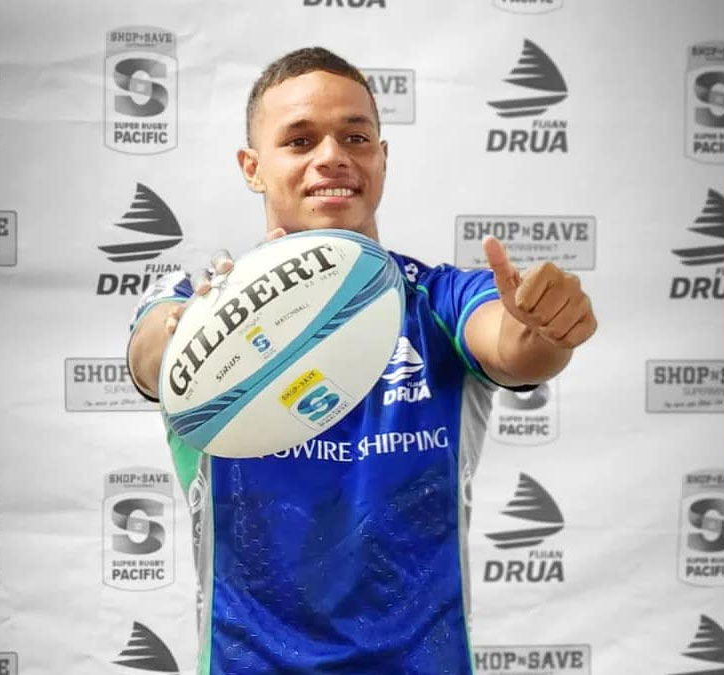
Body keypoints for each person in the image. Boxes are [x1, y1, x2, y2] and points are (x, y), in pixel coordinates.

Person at [126, 47, 596, 674]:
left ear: (381, 156)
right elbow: (152, 355)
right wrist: (195, 334)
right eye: (299, 141)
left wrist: (547, 329)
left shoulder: (439, 299)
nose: (332, 156)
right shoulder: (199, 300)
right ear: (252, 167)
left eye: (355, 137)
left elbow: (515, 347)